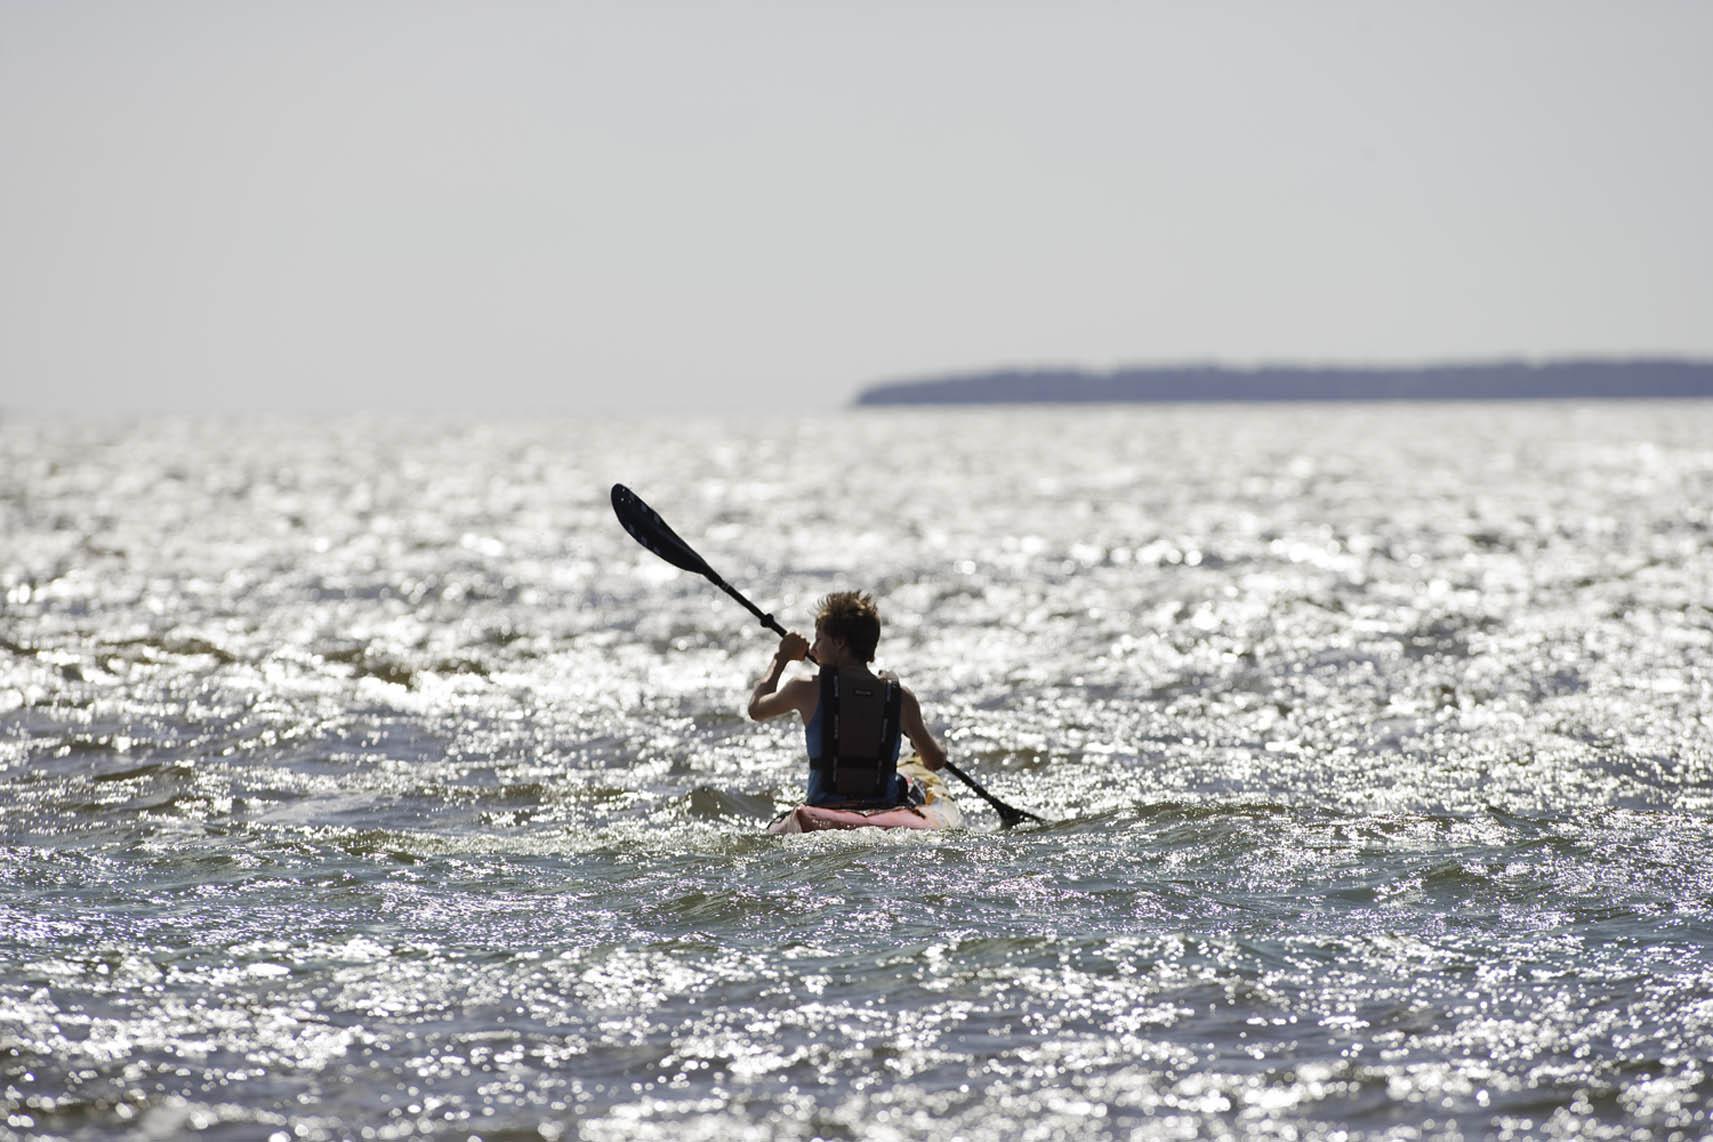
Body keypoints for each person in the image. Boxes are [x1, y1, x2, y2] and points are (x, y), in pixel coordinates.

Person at [747, 591, 946, 808]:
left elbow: (756, 709)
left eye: (819, 639)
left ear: (840, 642)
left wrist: (781, 657)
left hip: (824, 808)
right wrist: (939, 746)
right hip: (882, 806)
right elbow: (934, 761)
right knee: (909, 786)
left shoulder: (804, 688)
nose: (813, 649)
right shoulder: (900, 697)